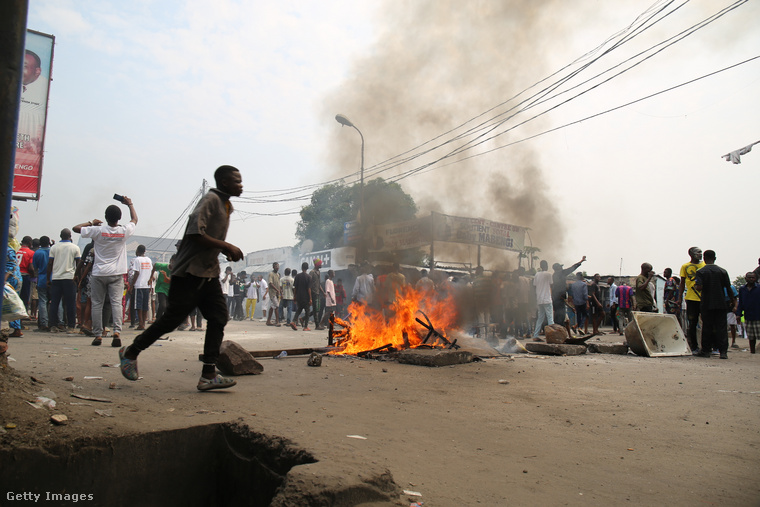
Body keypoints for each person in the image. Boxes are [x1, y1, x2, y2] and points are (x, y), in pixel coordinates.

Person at [118, 165, 244, 390]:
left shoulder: (226, 205)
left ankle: (208, 374)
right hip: (189, 272)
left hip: (209, 273)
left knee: (218, 318)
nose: (241, 185)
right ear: (224, 182)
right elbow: (195, 233)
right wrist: (225, 246)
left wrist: (221, 250)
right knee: (172, 320)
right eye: (237, 181)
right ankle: (131, 351)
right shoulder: (211, 200)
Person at [74, 196, 138, 347]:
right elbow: (135, 219)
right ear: (119, 218)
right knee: (116, 303)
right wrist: (129, 204)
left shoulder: (98, 230)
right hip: (116, 274)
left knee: (97, 304)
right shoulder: (123, 231)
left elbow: (76, 228)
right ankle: (116, 331)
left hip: (98, 273)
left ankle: (98, 334)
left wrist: (91, 223)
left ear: (105, 217)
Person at [694, 250, 734, 359]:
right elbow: (729, 288)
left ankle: (706, 351)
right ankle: (723, 352)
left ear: (704, 258)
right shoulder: (722, 271)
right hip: (721, 303)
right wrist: (732, 301)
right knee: (721, 327)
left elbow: (699, 287)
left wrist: (696, 286)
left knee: (707, 327)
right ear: (715, 258)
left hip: (707, 303)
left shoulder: (701, 272)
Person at [47, 229, 81, 334]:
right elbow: (78, 263)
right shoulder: (75, 247)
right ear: (70, 236)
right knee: (70, 304)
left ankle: (53, 325)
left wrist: (48, 278)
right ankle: (71, 326)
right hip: (69, 278)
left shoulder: (54, 247)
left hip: (56, 278)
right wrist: (77, 277)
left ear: (60, 236)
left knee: (54, 303)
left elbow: (50, 263)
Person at [678, 247, 705, 354]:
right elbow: (682, 283)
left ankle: (706, 345)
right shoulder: (685, 266)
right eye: (698, 252)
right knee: (692, 323)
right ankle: (694, 346)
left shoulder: (704, 266)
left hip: (703, 298)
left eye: (701, 252)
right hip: (691, 298)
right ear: (691, 254)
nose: (700, 254)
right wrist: (679, 298)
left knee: (706, 323)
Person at [551, 257, 586, 335]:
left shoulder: (554, 275)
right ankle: (559, 333)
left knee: (557, 316)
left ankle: (558, 332)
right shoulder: (560, 273)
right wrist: (581, 261)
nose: (562, 267)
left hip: (556, 298)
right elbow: (572, 268)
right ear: (558, 268)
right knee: (560, 317)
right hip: (560, 298)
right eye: (560, 266)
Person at [128, 245, 153, 331]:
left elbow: (137, 273)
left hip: (138, 285)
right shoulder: (149, 260)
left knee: (138, 305)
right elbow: (151, 272)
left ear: (138, 251)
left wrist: (131, 286)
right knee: (145, 305)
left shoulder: (137, 260)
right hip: (146, 285)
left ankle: (141, 323)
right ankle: (143, 324)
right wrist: (150, 284)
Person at [736, 272, 760, 354]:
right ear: (745, 279)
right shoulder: (742, 289)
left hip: (758, 315)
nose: (751, 279)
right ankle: (752, 352)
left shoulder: (759, 288)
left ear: (755, 278)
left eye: (753, 277)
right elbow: (741, 303)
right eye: (749, 277)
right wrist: (738, 314)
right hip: (748, 316)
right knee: (751, 336)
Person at [31, 235, 51, 331]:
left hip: (42, 279)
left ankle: (44, 323)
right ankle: (59, 323)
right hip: (53, 279)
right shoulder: (52, 251)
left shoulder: (38, 253)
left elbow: (35, 267)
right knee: (56, 301)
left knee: (42, 301)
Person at [532, 260, 553, 340]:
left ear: (540, 266)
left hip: (539, 299)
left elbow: (534, 285)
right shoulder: (549, 274)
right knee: (550, 318)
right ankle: (551, 336)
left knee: (540, 318)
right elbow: (551, 285)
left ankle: (535, 335)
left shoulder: (537, 274)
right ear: (547, 266)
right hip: (547, 299)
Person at [16, 235, 36, 313]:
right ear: (30, 243)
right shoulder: (31, 253)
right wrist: (33, 275)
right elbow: (31, 267)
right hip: (25, 275)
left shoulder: (16, 250)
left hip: (15, 275)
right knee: (25, 296)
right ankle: (23, 313)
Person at [292, 262, 312, 331]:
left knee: (299, 309)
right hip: (305, 297)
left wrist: (294, 296)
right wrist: (310, 298)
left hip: (298, 296)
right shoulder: (309, 277)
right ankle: (305, 327)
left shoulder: (297, 276)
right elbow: (309, 289)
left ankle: (293, 321)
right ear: (307, 268)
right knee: (307, 311)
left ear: (301, 267)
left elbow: (295, 287)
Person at [151, 256, 172, 321]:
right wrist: (151, 277)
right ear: (170, 261)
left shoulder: (177, 269)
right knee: (162, 305)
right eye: (173, 263)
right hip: (161, 288)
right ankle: (158, 318)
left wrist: (165, 276)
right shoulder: (163, 266)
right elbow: (155, 265)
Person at [309, 259, 324, 329]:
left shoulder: (318, 272)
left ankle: (303, 318)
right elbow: (309, 283)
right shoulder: (312, 272)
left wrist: (323, 292)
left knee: (317, 309)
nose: (321, 265)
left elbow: (319, 284)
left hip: (317, 292)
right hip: (313, 292)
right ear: (317, 264)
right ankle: (317, 325)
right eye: (320, 263)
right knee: (315, 309)